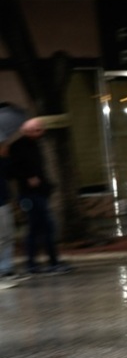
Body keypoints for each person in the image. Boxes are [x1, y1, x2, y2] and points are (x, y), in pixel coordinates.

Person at [8, 118, 70, 275]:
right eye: (37, 129)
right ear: (28, 131)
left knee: (41, 228)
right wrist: (29, 178)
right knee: (42, 228)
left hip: (39, 192)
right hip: (29, 194)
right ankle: (44, 262)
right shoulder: (18, 147)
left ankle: (41, 262)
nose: (40, 132)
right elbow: (12, 170)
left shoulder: (35, 145)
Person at [0, 140, 20, 287]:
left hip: (3, 201)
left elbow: (10, 174)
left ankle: (6, 269)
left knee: (7, 235)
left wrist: (5, 157)